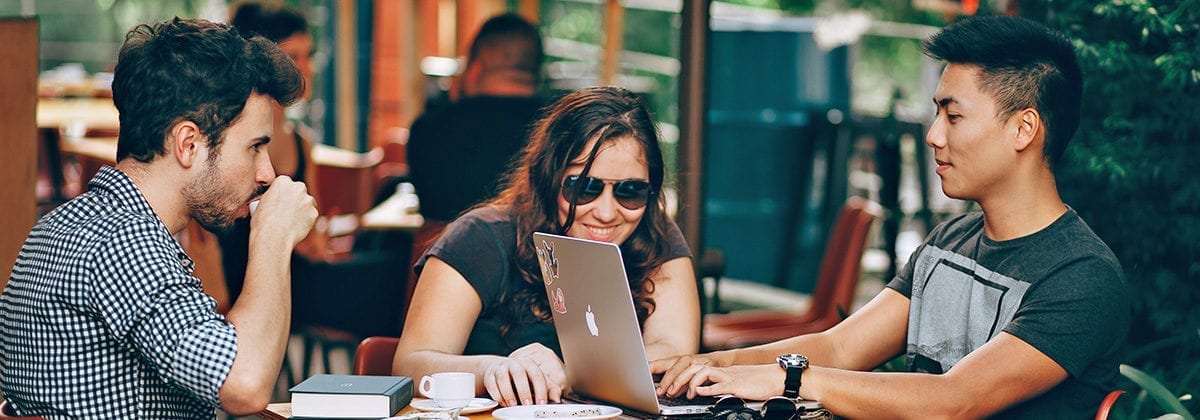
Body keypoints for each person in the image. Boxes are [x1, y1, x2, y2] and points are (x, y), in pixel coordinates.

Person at [652, 16, 1129, 419]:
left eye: (953, 116)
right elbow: (841, 348)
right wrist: (704, 365)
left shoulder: (1082, 277)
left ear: (1024, 128)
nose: (933, 136)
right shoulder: (951, 241)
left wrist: (789, 378)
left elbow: (953, 401)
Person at [0, 18, 316, 417]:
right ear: (188, 144)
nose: (267, 173)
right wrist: (273, 235)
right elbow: (245, 383)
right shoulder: (123, 241)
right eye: (254, 147)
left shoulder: (64, 225)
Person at [395, 86, 700, 408]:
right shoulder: (480, 238)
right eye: (584, 188)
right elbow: (410, 365)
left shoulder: (656, 234)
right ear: (548, 177)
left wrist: (572, 374)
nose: (607, 212)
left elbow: (675, 351)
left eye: (630, 191)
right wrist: (494, 370)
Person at [221, 0, 324, 303]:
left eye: (308, 56)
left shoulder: (302, 144)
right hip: (239, 282)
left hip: (294, 280)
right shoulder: (229, 141)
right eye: (293, 57)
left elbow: (313, 236)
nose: (305, 68)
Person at [406, 13, 546, 224]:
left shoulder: (428, 128)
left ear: (475, 68)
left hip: (443, 254)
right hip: (530, 255)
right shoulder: (559, 129)